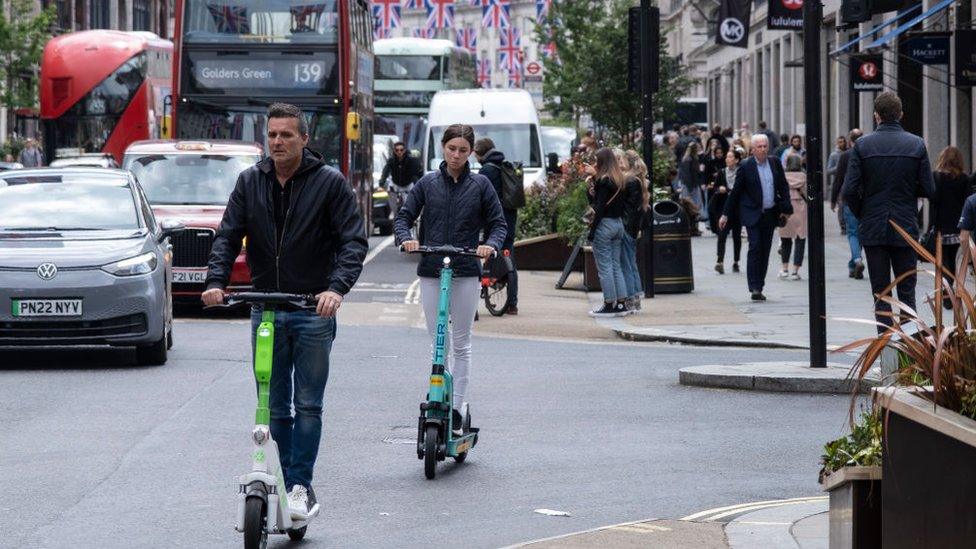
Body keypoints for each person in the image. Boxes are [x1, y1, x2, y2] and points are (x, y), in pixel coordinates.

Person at [202, 103, 368, 517]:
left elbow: (352, 242)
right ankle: (279, 473)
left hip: (313, 308)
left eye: (286, 135)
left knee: (308, 404)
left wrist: (336, 289)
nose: (277, 141)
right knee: (273, 405)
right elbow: (228, 236)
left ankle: (299, 485)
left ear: (304, 139)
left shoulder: (330, 184)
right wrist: (215, 282)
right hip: (266, 309)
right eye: (272, 134)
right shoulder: (249, 181)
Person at [396, 124, 506, 433]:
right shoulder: (427, 183)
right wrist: (407, 238)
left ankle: (457, 408)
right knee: (437, 343)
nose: (456, 155)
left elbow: (498, 224)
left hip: (466, 270)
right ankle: (437, 397)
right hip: (432, 269)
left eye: (462, 150)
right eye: (451, 148)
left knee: (461, 343)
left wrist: (490, 246)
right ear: (442, 148)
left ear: (471, 152)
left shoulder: (481, 185)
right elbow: (404, 217)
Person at [842, 92, 935, 331]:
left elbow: (849, 190)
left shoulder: (863, 145)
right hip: (905, 225)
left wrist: (864, 212)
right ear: (900, 114)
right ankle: (909, 352)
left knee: (881, 294)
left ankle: (885, 348)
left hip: (873, 227)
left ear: (876, 116)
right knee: (907, 292)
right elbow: (928, 188)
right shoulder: (916, 144)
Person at [719, 133, 793, 301]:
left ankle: (759, 286)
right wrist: (725, 214)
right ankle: (753, 286)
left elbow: (783, 186)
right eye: (759, 147)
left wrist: (786, 208)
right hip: (752, 213)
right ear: (752, 150)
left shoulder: (774, 162)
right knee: (755, 246)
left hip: (770, 213)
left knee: (765, 250)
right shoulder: (746, 166)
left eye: (765, 146)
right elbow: (736, 192)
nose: (763, 149)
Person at [474, 137, 519, 314]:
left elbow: (479, 197)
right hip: (510, 217)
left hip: (493, 219)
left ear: (480, 153)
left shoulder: (486, 170)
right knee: (509, 258)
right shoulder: (505, 165)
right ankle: (513, 304)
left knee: (486, 250)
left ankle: (488, 283)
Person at [586, 147, 629, 316]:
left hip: (605, 225)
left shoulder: (604, 181)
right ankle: (621, 303)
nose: (595, 164)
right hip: (618, 224)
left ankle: (609, 303)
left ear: (602, 162)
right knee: (615, 265)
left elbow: (599, 208)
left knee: (605, 267)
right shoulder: (620, 180)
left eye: (597, 161)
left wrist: (592, 232)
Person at [930, 146, 972, 308]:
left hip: (940, 226)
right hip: (957, 226)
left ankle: (945, 292)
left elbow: (934, 202)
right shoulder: (964, 179)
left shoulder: (936, 177)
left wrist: (931, 227)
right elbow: (967, 202)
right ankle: (949, 291)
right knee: (952, 260)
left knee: (942, 260)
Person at [831, 129, 865, 277]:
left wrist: (833, 199)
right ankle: (853, 265)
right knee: (861, 232)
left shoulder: (845, 156)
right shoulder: (867, 154)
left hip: (849, 198)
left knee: (852, 232)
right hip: (866, 199)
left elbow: (838, 179)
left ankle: (857, 260)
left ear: (850, 141)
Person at [619, 149, 649, 312]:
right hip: (632, 227)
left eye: (622, 160)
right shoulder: (637, 180)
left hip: (626, 227)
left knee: (627, 264)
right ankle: (636, 297)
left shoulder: (629, 181)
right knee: (631, 262)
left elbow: (624, 207)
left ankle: (631, 298)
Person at [709, 148, 743, 274]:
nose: (727, 159)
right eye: (727, 157)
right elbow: (715, 189)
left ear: (737, 160)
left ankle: (736, 261)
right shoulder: (722, 172)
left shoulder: (741, 172)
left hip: (737, 209)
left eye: (730, 157)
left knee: (736, 236)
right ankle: (720, 261)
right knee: (722, 235)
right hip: (723, 209)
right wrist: (719, 189)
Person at [778, 153, 808, 281]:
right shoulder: (804, 177)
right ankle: (795, 271)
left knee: (785, 239)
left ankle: (785, 269)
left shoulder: (782, 177)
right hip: (801, 209)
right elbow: (808, 195)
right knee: (800, 239)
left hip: (786, 210)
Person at [379, 141, 423, 218]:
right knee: (390, 191)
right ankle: (393, 210)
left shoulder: (411, 160)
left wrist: (418, 184)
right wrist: (381, 184)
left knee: (409, 201)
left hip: (408, 184)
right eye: (397, 150)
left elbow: (416, 173)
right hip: (396, 183)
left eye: (401, 150)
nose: (399, 152)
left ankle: (412, 214)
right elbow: (385, 171)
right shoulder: (391, 161)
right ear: (394, 151)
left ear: (405, 150)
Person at [678, 142, 705, 233]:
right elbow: (687, 175)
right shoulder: (689, 159)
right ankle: (692, 228)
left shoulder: (690, 158)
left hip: (691, 185)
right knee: (691, 207)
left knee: (692, 207)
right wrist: (691, 188)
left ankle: (693, 227)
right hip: (691, 186)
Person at [826, 136, 849, 234]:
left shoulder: (849, 153)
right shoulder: (834, 155)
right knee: (841, 205)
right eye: (839, 142)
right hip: (839, 183)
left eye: (843, 142)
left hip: (848, 182)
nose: (841, 144)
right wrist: (839, 166)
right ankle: (843, 226)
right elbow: (828, 171)